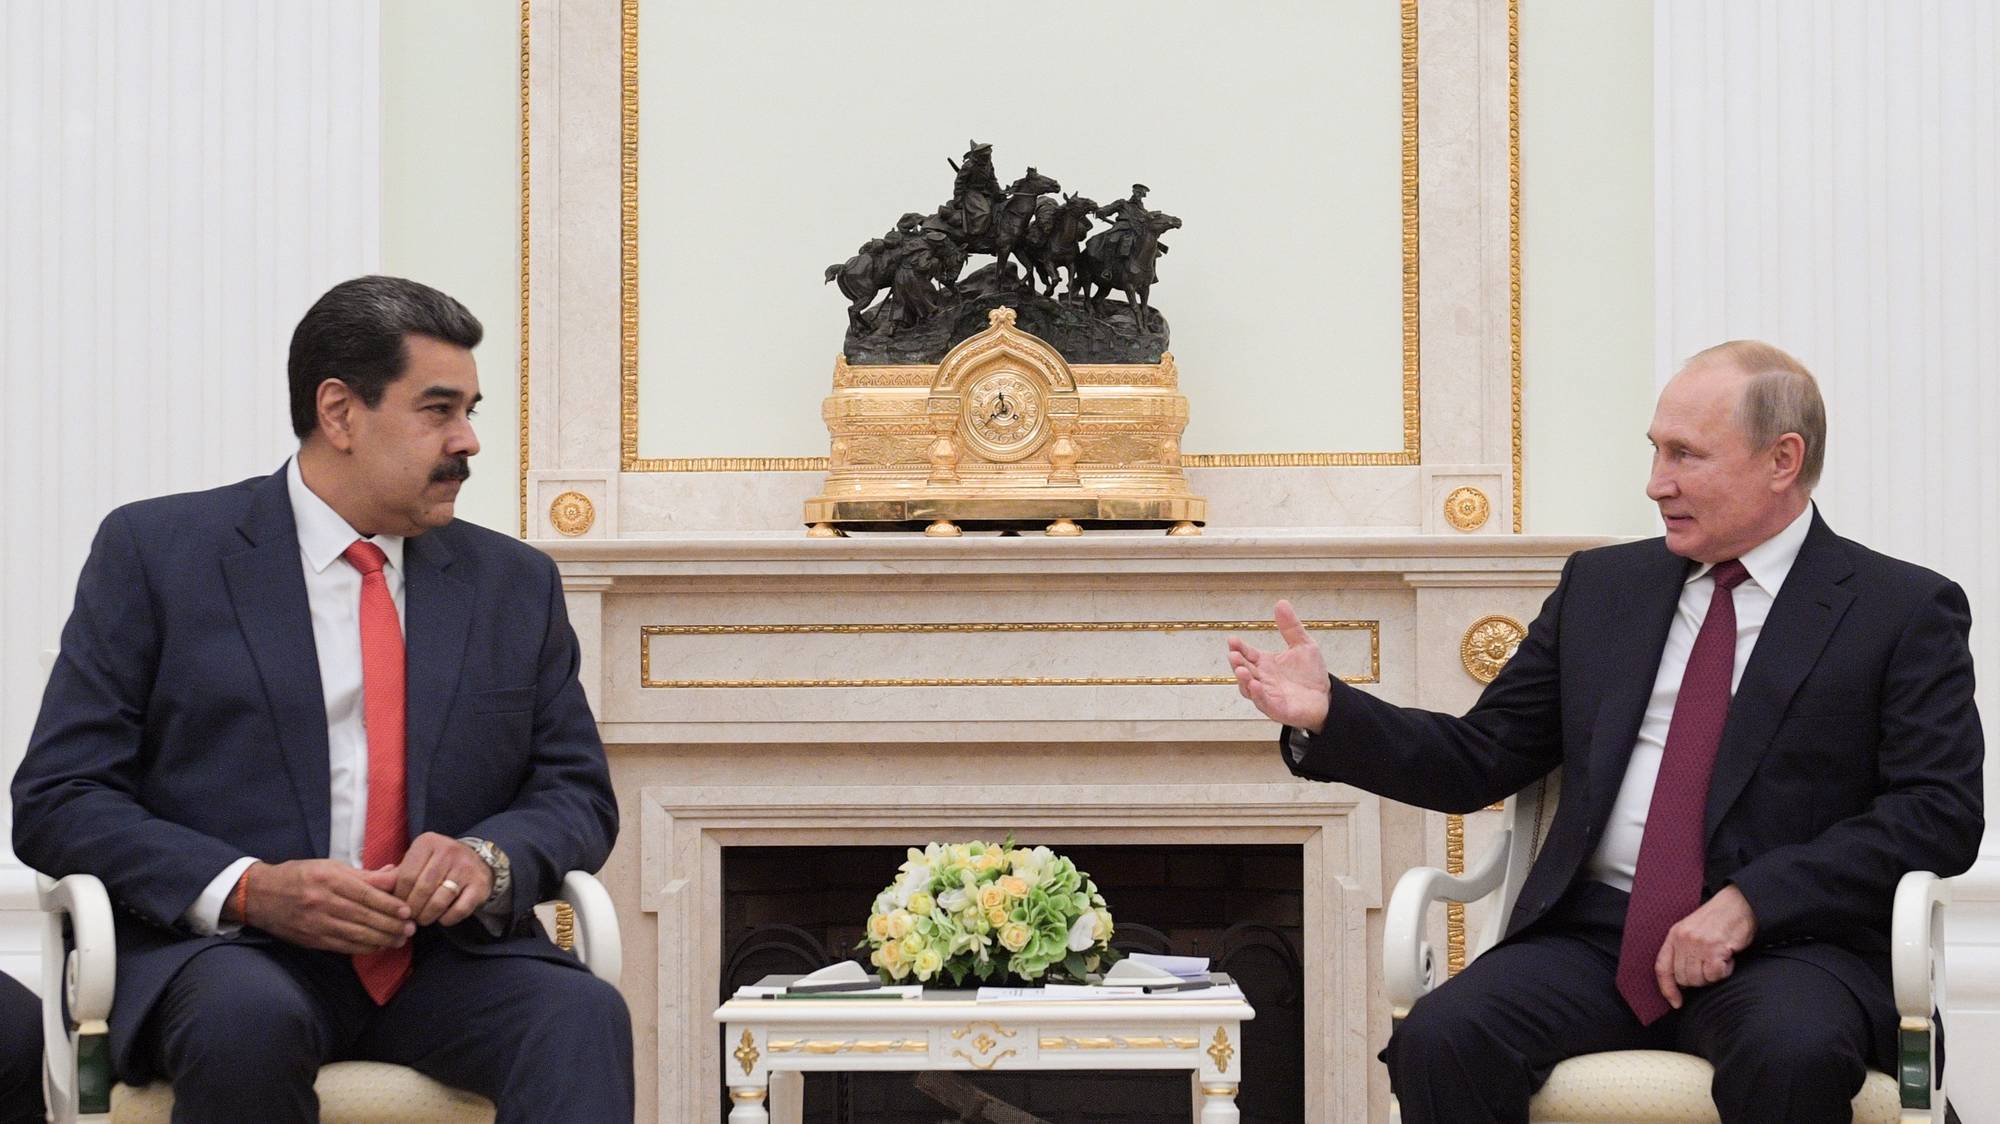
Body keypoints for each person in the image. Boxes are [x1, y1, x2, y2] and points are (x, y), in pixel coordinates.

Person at [1227, 341, 1983, 1123]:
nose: (1657, 483)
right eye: (1655, 451)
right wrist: (1332, 714)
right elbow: (1479, 759)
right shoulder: (1603, 589)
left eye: (1686, 456)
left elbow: (1937, 811)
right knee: (1444, 1036)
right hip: (1598, 937)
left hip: (1795, 948)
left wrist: (1751, 902)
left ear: (1782, 460)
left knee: (1788, 1054)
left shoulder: (1900, 610)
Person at [13, 276, 632, 1123]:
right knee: (247, 1020)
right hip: (235, 956)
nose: (470, 440)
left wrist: (485, 860)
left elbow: (575, 793)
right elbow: (60, 797)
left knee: (581, 1014)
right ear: (338, 412)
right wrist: (247, 888)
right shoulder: (158, 556)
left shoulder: (513, 584)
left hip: (443, 962)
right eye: (439, 410)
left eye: (471, 410)